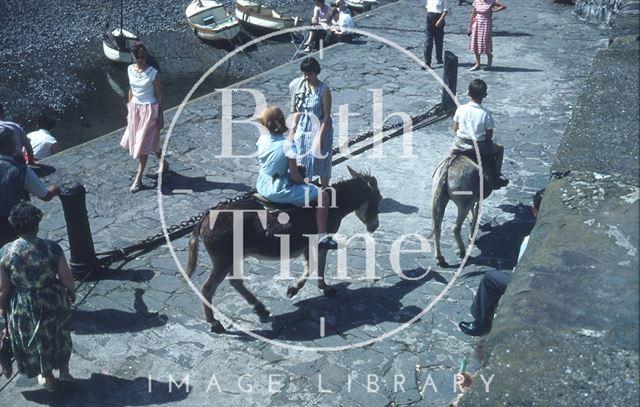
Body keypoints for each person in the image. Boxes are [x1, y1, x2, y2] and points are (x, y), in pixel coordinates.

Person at [0, 202, 76, 391]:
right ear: (37, 224)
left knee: (36, 342)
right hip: (52, 298)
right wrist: (71, 292)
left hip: (24, 304)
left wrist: (2, 305)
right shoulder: (52, 247)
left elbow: (3, 287)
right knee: (60, 334)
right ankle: (65, 371)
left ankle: (48, 377)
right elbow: (66, 277)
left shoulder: (6, 252)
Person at [459, 189, 544, 336]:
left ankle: (481, 323)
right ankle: (497, 178)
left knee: (490, 278)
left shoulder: (530, 239)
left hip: (530, 284)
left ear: (534, 210)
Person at [256, 106, 337, 250]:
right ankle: (322, 237)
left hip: (263, 183)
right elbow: (294, 175)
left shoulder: (262, 139)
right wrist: (306, 182)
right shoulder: (288, 146)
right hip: (278, 189)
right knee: (323, 196)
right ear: (282, 121)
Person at [120, 42, 169, 193]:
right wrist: (129, 110)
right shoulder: (130, 70)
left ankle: (138, 179)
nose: (141, 59)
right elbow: (131, 90)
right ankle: (164, 162)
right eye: (138, 57)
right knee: (148, 141)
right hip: (135, 109)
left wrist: (160, 116)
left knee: (142, 145)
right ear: (133, 57)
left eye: (143, 57)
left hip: (149, 110)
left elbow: (160, 95)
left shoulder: (153, 73)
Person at [0, 128, 59, 247]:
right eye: (12, 143)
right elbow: (45, 196)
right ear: (8, 146)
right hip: (12, 223)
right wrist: (55, 189)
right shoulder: (22, 171)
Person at [450, 79, 508, 189]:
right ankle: (496, 177)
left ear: (468, 93)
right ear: (485, 95)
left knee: (448, 157)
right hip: (479, 146)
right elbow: (488, 136)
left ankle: (443, 170)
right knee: (500, 149)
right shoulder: (486, 114)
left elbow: (455, 129)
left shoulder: (461, 109)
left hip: (460, 144)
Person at [289, 57, 334, 189]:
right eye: (305, 74)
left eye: (309, 74)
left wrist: (319, 139)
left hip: (319, 128)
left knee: (322, 160)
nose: (307, 77)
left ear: (316, 72)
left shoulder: (324, 90)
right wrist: (292, 130)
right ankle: (305, 189)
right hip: (304, 128)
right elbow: (298, 110)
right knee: (302, 160)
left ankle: (325, 190)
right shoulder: (302, 87)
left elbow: (326, 117)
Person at [467, 0, 507, 71]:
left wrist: (495, 10)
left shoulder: (491, 1)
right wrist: (470, 27)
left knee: (485, 42)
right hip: (477, 23)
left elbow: (503, 6)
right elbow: (473, 14)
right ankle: (478, 64)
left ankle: (489, 57)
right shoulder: (477, 1)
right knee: (476, 42)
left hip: (486, 23)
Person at [424, 0, 449, 68]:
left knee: (439, 40)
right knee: (428, 41)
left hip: (438, 17)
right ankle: (427, 62)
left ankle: (439, 58)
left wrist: (440, 19)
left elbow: (445, 10)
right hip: (430, 17)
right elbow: (427, 7)